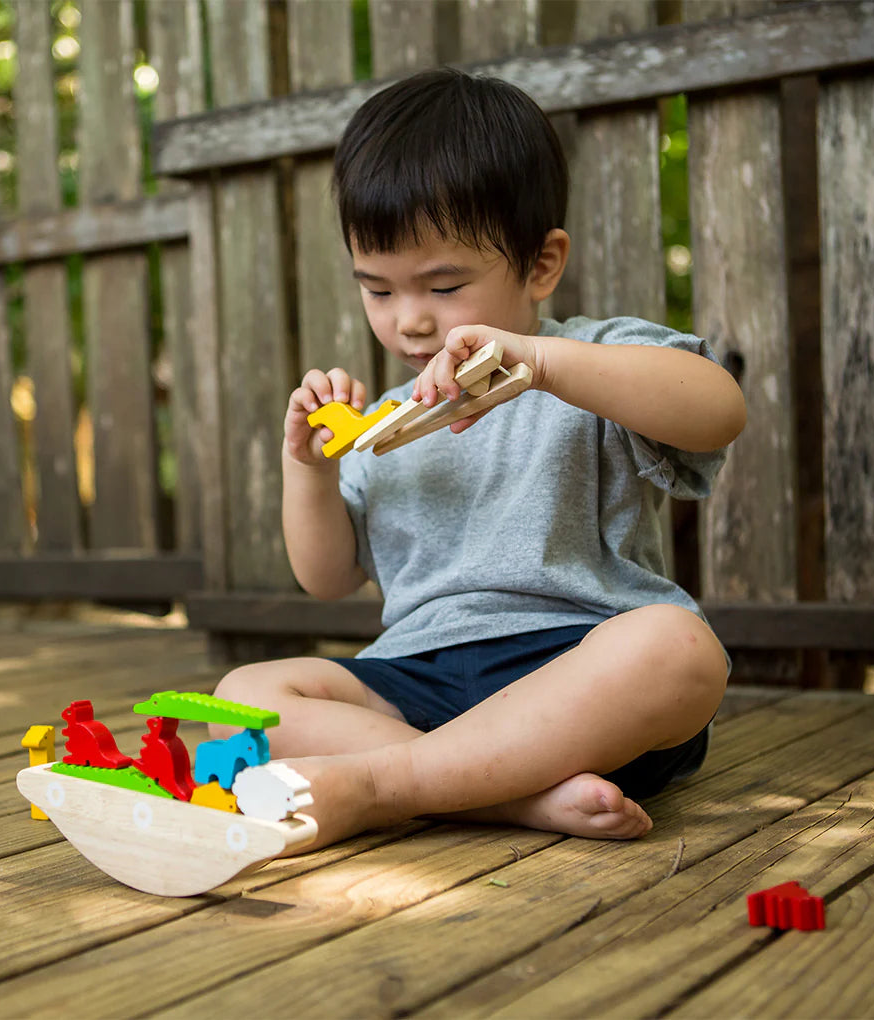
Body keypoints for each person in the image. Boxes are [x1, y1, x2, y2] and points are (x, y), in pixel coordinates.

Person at [210, 68, 746, 850]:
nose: (410, 320)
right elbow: (326, 577)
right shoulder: (384, 422)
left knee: (680, 648)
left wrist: (545, 363)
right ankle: (511, 798)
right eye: (379, 291)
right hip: (419, 676)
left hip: (576, 677)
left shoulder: (586, 360)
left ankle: (382, 786)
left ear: (541, 264)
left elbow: (718, 410)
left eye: (443, 285)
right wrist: (311, 469)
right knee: (241, 697)